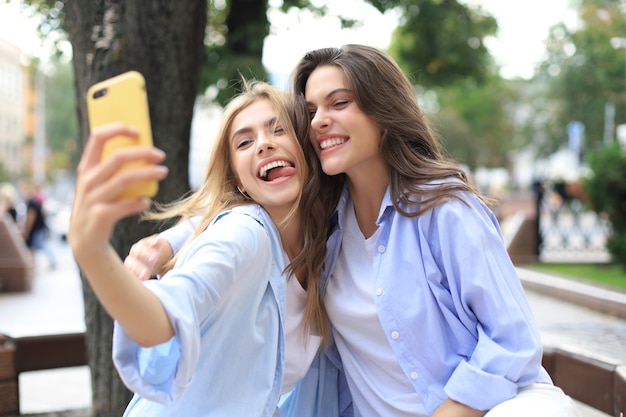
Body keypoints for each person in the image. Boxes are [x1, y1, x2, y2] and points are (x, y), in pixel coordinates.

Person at [130, 45, 582, 417]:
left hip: (494, 408)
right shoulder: (325, 222)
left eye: (339, 103)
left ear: (383, 113)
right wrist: (167, 241)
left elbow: (512, 339)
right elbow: (242, 209)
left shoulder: (445, 209)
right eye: (309, 111)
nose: (320, 119)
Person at [69, 80, 347, 416]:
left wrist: (169, 243)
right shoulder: (245, 235)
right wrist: (91, 252)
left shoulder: (327, 249)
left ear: (307, 150)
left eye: (279, 130)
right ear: (238, 180)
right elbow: (162, 319)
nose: (263, 145)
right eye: (244, 142)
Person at [20, 180, 56, 269]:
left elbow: (31, 218)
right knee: (36, 246)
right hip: (38, 227)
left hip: (37, 228)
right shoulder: (33, 201)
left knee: (40, 245)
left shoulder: (32, 202)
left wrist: (26, 230)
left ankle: (52, 260)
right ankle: (33, 263)